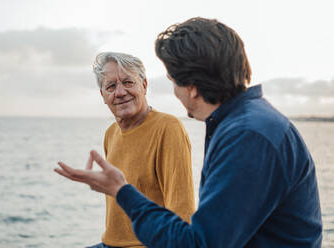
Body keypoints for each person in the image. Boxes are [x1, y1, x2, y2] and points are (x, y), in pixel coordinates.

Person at [55, 18, 322, 247]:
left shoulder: (249, 136)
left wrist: (121, 190)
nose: (174, 92)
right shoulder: (245, 124)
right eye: (111, 86)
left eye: (172, 81)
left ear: (192, 87)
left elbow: (196, 244)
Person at [56, 52, 195, 247]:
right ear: (103, 95)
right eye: (111, 86)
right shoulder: (111, 133)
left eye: (128, 82)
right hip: (109, 243)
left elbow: (183, 211)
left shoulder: (168, 128)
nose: (120, 92)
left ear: (144, 86)